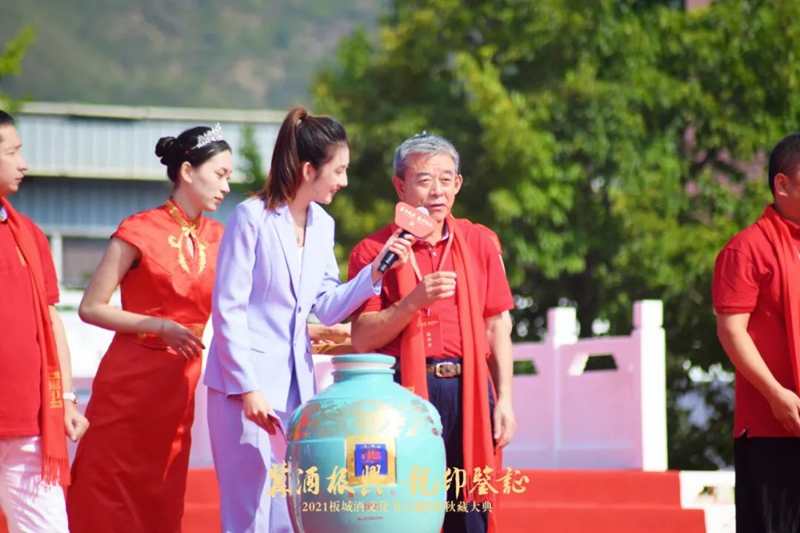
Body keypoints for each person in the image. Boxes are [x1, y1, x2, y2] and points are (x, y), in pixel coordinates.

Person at [203, 105, 412, 533]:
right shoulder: (251, 218)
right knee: (249, 513)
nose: (344, 181)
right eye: (339, 170)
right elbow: (228, 310)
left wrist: (376, 271)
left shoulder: (323, 225)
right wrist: (248, 388)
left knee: (290, 510)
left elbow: (328, 306)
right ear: (307, 170)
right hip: (244, 390)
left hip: (297, 391)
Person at [66, 124, 233, 532]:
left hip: (179, 388)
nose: (227, 187)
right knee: (107, 491)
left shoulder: (221, 237)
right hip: (128, 383)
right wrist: (159, 326)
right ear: (188, 171)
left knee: (162, 494)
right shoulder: (138, 229)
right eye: (220, 174)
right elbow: (91, 307)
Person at [348, 132, 517, 533]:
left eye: (446, 179)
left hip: (468, 389)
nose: (437, 190)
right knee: (399, 508)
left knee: (467, 510)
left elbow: (497, 325)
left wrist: (505, 399)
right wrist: (413, 302)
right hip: (400, 391)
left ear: (458, 184)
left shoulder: (478, 242)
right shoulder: (374, 251)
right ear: (400, 186)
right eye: (424, 180)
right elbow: (362, 337)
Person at [0, 110, 89, 532]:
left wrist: (67, 398)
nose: (24, 163)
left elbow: (52, 323)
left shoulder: (29, 235)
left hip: (31, 424)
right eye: (12, 152)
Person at [713, 132, 800, 532]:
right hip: (773, 429)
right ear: (782, 184)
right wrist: (776, 394)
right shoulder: (746, 249)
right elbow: (732, 331)